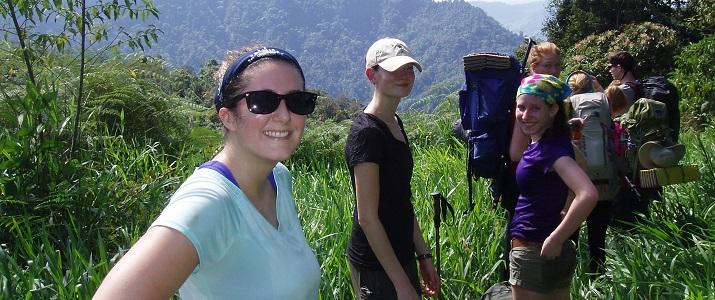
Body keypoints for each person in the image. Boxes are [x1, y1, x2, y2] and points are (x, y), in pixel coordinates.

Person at [93, 46, 321, 299]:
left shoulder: (278, 177)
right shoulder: (209, 202)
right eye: (262, 102)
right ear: (228, 117)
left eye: (298, 101)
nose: (284, 116)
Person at [345, 37, 440, 299]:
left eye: (408, 68)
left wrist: (423, 255)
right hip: (376, 266)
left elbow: (401, 199)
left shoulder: (395, 123)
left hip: (401, 254)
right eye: (394, 69)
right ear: (371, 75)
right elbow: (367, 217)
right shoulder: (366, 134)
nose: (405, 75)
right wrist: (400, 284)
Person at [509, 74, 598, 299]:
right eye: (521, 108)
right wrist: (566, 210)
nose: (525, 115)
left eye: (535, 109)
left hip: (533, 250)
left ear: (553, 110)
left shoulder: (549, 150)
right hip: (548, 249)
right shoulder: (552, 143)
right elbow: (583, 169)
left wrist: (555, 238)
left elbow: (587, 194)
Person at [565, 71, 613, 275]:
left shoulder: (568, 104)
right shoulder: (604, 100)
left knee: (571, 234)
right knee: (598, 236)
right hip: (605, 174)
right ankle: (598, 278)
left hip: (577, 177)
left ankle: (569, 277)